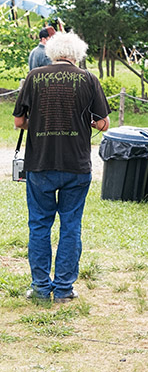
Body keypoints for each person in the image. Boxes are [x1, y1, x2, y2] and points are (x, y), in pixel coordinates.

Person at [13, 32, 110, 302]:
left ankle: (41, 288)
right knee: (70, 225)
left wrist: (40, 124)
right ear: (77, 54)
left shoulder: (34, 77)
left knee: (39, 226)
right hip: (76, 165)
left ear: (51, 53)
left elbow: (19, 122)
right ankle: (64, 289)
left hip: (40, 163)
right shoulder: (89, 79)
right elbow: (103, 123)